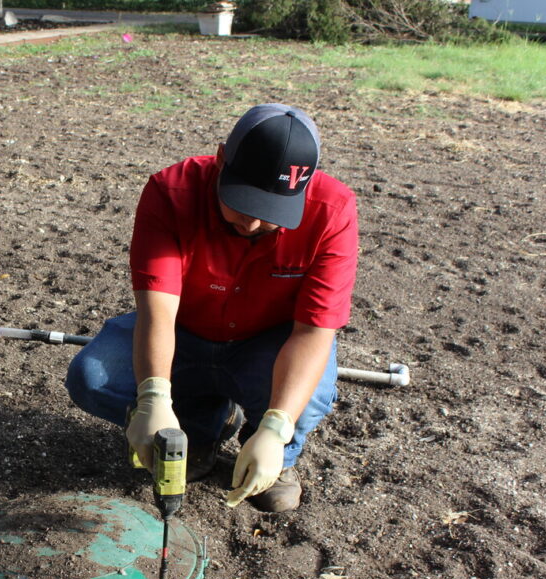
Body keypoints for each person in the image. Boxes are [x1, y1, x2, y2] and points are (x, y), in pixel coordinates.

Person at [66, 103, 358, 513]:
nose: (253, 225)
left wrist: (276, 428)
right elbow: (158, 311)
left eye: (271, 213)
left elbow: (313, 331)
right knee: (93, 378)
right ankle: (198, 429)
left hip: (265, 342)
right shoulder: (172, 192)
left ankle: (276, 456)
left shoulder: (333, 212)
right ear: (221, 159)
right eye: (244, 203)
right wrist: (152, 397)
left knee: (308, 397)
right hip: (184, 330)